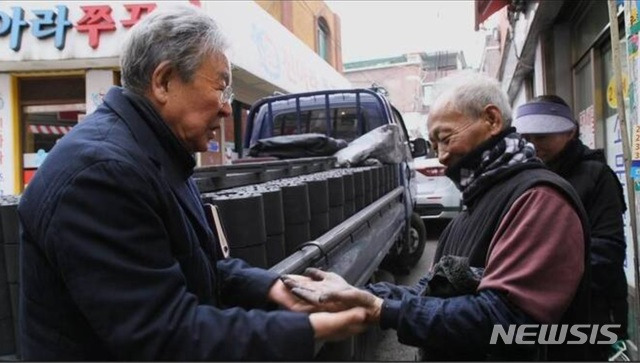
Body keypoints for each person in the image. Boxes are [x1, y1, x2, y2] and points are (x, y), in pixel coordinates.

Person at [17, 5, 367, 360]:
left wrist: (274, 288)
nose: (228, 109)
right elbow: (163, 334)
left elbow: (198, 266)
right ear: (164, 81)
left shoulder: (156, 152)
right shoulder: (101, 173)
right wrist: (309, 329)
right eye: (221, 88)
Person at [283, 72, 593, 360]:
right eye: (434, 145)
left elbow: (506, 322)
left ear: (491, 119)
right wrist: (360, 294)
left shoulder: (539, 200)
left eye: (446, 138)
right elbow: (430, 290)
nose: (442, 156)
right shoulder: (474, 206)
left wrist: (383, 310)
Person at [514, 95, 628, 359]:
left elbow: (608, 250)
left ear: (570, 131)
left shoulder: (597, 176)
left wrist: (544, 283)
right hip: (537, 314)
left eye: (542, 137)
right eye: (527, 138)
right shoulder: (525, 175)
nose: (533, 146)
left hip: (591, 312)